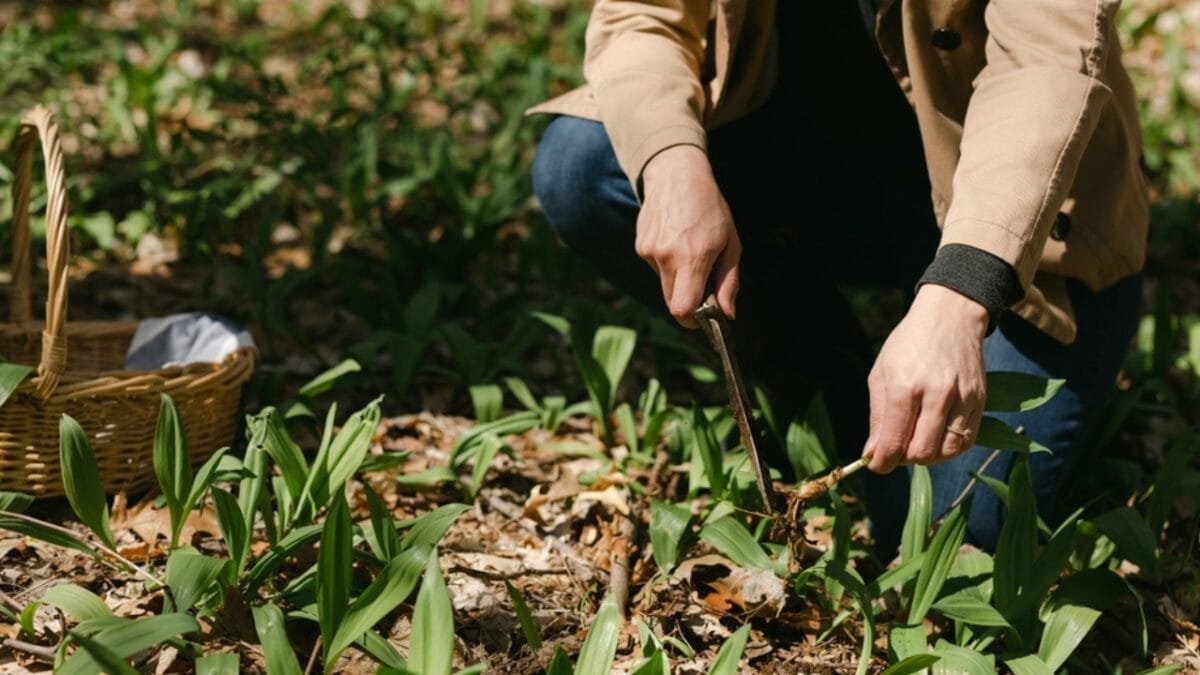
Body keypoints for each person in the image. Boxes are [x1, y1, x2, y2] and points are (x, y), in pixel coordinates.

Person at [528, 0, 1148, 555]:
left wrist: (962, 291)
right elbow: (643, 14)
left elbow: (1043, 63)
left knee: (944, 536)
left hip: (1021, 227)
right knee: (585, 167)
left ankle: (902, 404)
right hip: (816, 174)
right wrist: (672, 167)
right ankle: (818, 377)